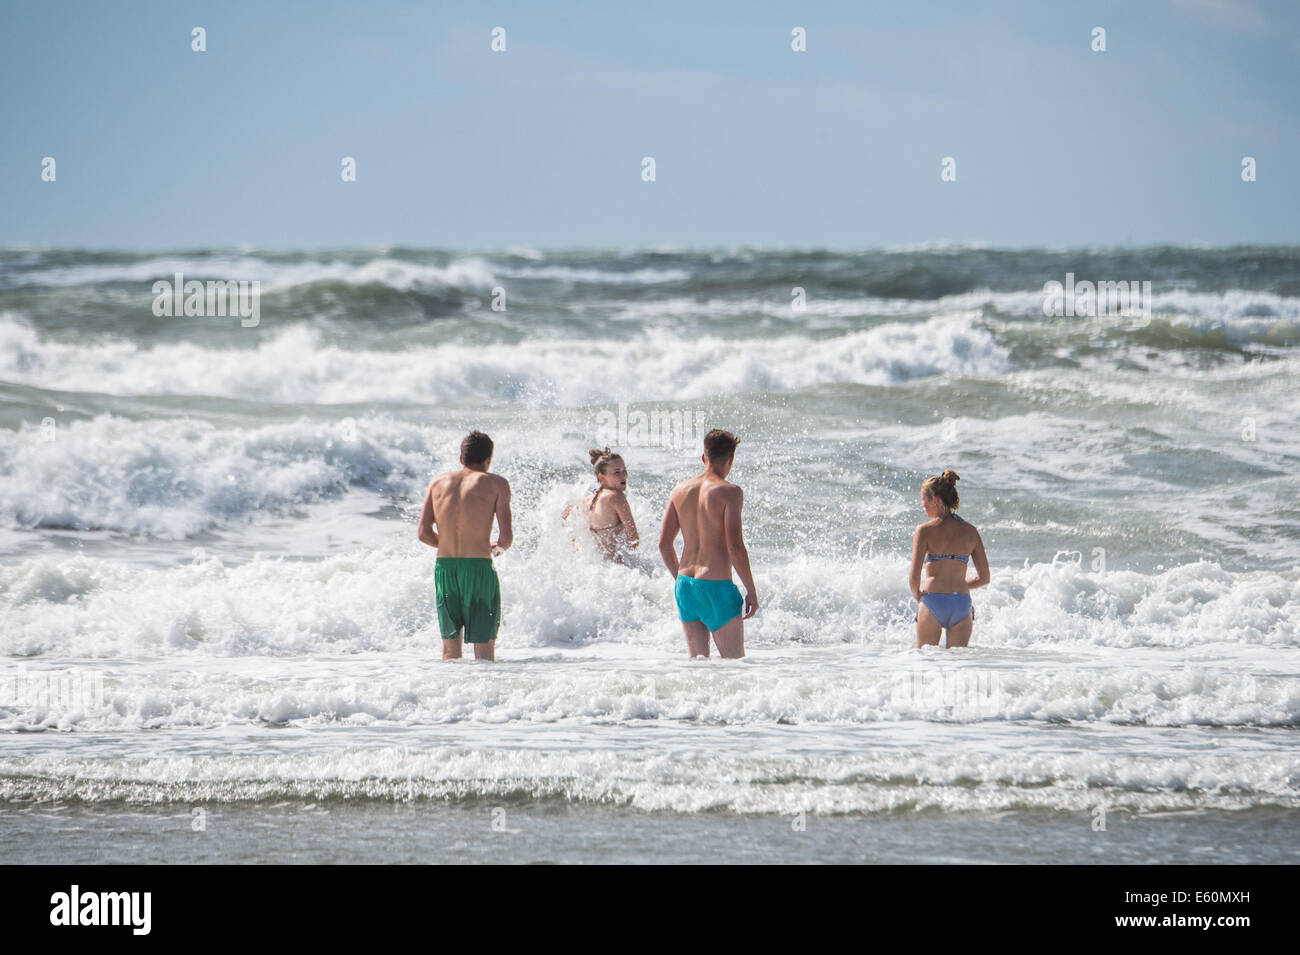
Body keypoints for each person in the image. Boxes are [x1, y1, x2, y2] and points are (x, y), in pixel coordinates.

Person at [658, 429, 758, 658]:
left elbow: (664, 544)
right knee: (734, 665)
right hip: (717, 588)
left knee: (697, 667)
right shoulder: (730, 492)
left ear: (704, 457)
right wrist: (751, 590)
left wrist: (680, 580)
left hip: (685, 586)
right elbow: (735, 546)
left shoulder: (679, 490)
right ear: (731, 459)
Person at [416, 430, 513, 661]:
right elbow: (505, 539)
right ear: (488, 459)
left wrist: (448, 543)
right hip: (478, 569)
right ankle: (484, 686)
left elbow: (423, 533)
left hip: (445, 568)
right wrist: (496, 549)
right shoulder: (497, 484)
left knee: (450, 650)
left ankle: (450, 685)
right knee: (484, 650)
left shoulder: (437, 482)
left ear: (461, 458)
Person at [908, 469, 989, 649]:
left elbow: (914, 578)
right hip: (961, 604)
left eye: (924, 499)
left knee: (924, 661)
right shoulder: (971, 531)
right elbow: (984, 578)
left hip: (933, 601)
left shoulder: (924, 531)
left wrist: (918, 596)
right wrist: (958, 584)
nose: (922, 505)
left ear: (936, 500)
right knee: (957, 663)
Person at [562, 447, 640, 562]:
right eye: (617, 472)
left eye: (624, 470)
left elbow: (565, 522)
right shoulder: (616, 497)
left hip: (589, 564)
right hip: (616, 566)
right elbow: (634, 540)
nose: (624, 475)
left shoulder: (585, 501)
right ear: (602, 477)